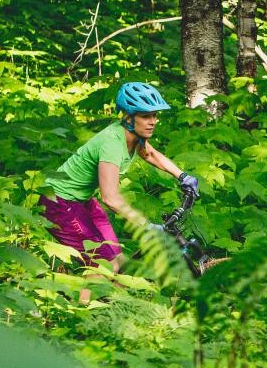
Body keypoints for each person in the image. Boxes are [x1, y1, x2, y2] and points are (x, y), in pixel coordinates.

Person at [40, 82, 200, 301]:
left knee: (118, 260)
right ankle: (80, 320)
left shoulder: (134, 137)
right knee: (103, 265)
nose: (152, 121)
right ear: (129, 117)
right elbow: (110, 198)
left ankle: (112, 311)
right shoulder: (112, 144)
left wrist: (183, 176)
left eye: (154, 115)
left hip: (82, 201)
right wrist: (145, 225)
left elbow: (151, 155)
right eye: (145, 116)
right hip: (59, 202)